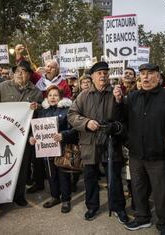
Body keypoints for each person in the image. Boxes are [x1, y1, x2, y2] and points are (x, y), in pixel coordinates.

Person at [113, 63, 165, 235]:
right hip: (136, 154)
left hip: (159, 155)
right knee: (138, 189)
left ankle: (164, 223)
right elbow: (119, 119)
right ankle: (142, 217)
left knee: (162, 193)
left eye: (149, 73)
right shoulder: (132, 97)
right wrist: (118, 102)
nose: (145, 77)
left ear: (158, 77)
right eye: (143, 74)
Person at [68, 61, 128, 223]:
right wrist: (86, 123)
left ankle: (118, 207)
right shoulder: (83, 95)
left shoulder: (116, 93)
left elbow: (124, 119)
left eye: (105, 73)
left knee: (114, 176)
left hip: (111, 142)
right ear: (92, 77)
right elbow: (72, 115)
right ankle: (92, 206)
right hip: (90, 143)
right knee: (90, 177)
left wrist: (119, 101)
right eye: (99, 73)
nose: (103, 76)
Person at [0, 60, 43, 210]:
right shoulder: (2, 87)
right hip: (3, 135)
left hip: (24, 137)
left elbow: (39, 116)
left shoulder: (36, 92)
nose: (19, 73)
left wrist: (37, 107)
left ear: (29, 74)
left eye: (23, 71)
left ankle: (19, 196)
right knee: (1, 166)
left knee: (22, 167)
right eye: (17, 71)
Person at [29, 85, 77, 213]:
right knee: (51, 174)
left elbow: (74, 129)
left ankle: (66, 199)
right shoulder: (42, 112)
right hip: (46, 149)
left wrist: (63, 135)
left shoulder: (68, 110)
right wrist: (32, 138)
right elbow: (37, 129)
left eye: (55, 95)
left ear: (61, 97)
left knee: (63, 174)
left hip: (62, 148)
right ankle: (55, 196)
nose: (52, 98)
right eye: (50, 95)